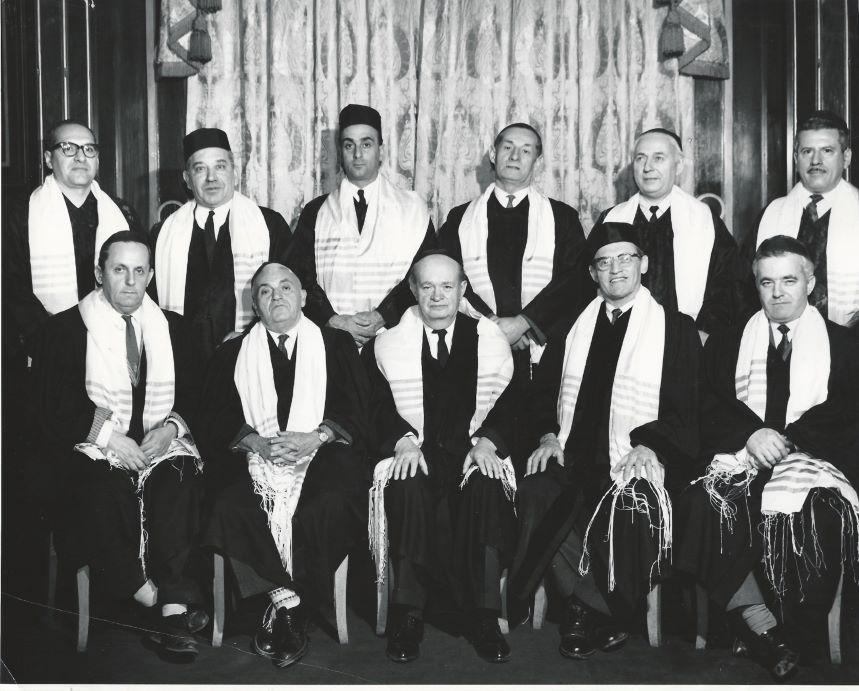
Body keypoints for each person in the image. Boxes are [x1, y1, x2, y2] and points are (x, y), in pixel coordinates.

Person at [509, 222, 701, 661]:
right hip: (574, 456)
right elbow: (541, 395)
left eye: (625, 258)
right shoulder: (571, 328)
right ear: (592, 273)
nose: (616, 269)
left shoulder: (675, 329)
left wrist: (651, 445)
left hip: (636, 456)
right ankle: (603, 609)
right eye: (604, 262)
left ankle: (583, 610)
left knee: (634, 503)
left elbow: (687, 408)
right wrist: (548, 435)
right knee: (536, 490)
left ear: (643, 265)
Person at [674, 235, 859, 680]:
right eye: (766, 282)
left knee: (818, 513)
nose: (777, 293)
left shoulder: (845, 344)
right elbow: (705, 404)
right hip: (743, 457)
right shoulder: (728, 341)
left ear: (810, 283)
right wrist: (750, 434)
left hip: (814, 460)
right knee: (701, 502)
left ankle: (798, 635)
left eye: (789, 281)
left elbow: (849, 411)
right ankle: (761, 627)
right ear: (755, 285)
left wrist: (789, 441)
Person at [33, 231, 208, 658]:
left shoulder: (173, 328)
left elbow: (196, 394)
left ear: (150, 275)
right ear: (99, 273)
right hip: (91, 450)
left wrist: (171, 429)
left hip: (155, 446)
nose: (130, 281)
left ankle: (169, 608)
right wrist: (109, 437)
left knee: (181, 478)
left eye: (139, 271)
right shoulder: (65, 328)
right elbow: (51, 406)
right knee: (99, 487)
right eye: (119, 270)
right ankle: (152, 597)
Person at [197, 263, 369, 669]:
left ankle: (286, 605)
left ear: (304, 297)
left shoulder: (336, 344)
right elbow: (214, 417)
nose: (277, 296)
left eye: (286, 287)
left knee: (329, 500)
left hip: (322, 451)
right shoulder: (232, 353)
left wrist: (316, 437)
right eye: (265, 291)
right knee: (230, 504)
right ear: (255, 305)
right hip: (256, 456)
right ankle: (290, 605)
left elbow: (357, 407)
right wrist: (257, 443)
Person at [364, 251, 518, 663]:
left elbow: (513, 402)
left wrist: (488, 442)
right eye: (427, 286)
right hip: (416, 451)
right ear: (412, 290)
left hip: (470, 453)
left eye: (447, 286)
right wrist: (401, 441)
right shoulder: (387, 344)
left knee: (488, 483)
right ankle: (408, 613)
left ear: (462, 289)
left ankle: (485, 615)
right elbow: (374, 406)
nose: (437, 296)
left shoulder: (489, 339)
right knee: (406, 481)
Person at [287, 104, 436, 346]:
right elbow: (299, 277)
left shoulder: (413, 209)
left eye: (366, 144)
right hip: (332, 340)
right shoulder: (316, 211)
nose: (357, 154)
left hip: (397, 338)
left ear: (381, 151)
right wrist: (333, 320)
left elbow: (425, 274)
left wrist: (382, 316)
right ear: (340, 152)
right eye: (349, 145)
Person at [3, 119, 142, 364]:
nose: (80, 157)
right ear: (49, 159)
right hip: (46, 343)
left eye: (89, 149)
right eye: (68, 148)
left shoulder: (121, 213)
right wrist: (55, 338)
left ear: (97, 159)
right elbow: (12, 286)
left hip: (110, 344)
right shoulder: (20, 213)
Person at [150, 128, 291, 360]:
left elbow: (289, 297)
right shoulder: (163, 234)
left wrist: (250, 335)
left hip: (250, 354)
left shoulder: (269, 225)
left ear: (234, 171)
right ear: (187, 179)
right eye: (200, 169)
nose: (211, 178)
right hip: (183, 360)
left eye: (220, 166)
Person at [598, 127, 742, 341]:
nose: (648, 167)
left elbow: (726, 284)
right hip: (623, 338)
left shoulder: (704, 220)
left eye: (658, 158)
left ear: (679, 164)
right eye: (640, 158)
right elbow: (590, 284)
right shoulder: (612, 219)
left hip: (687, 340)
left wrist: (702, 333)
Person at [746, 111, 858, 329]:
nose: (816, 161)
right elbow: (744, 290)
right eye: (807, 151)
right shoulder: (771, 214)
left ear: (846, 158)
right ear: (796, 158)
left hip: (849, 342)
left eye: (827, 150)